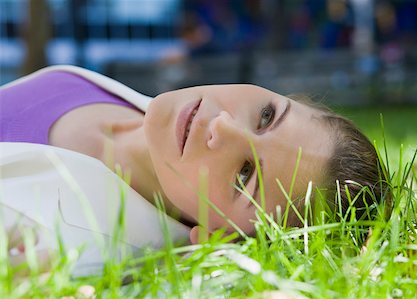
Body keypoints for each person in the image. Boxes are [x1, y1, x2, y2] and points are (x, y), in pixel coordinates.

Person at [0, 65, 390, 274]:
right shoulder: (136, 105)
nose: (221, 125)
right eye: (267, 115)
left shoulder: (64, 249)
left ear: (218, 238)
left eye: (244, 175)